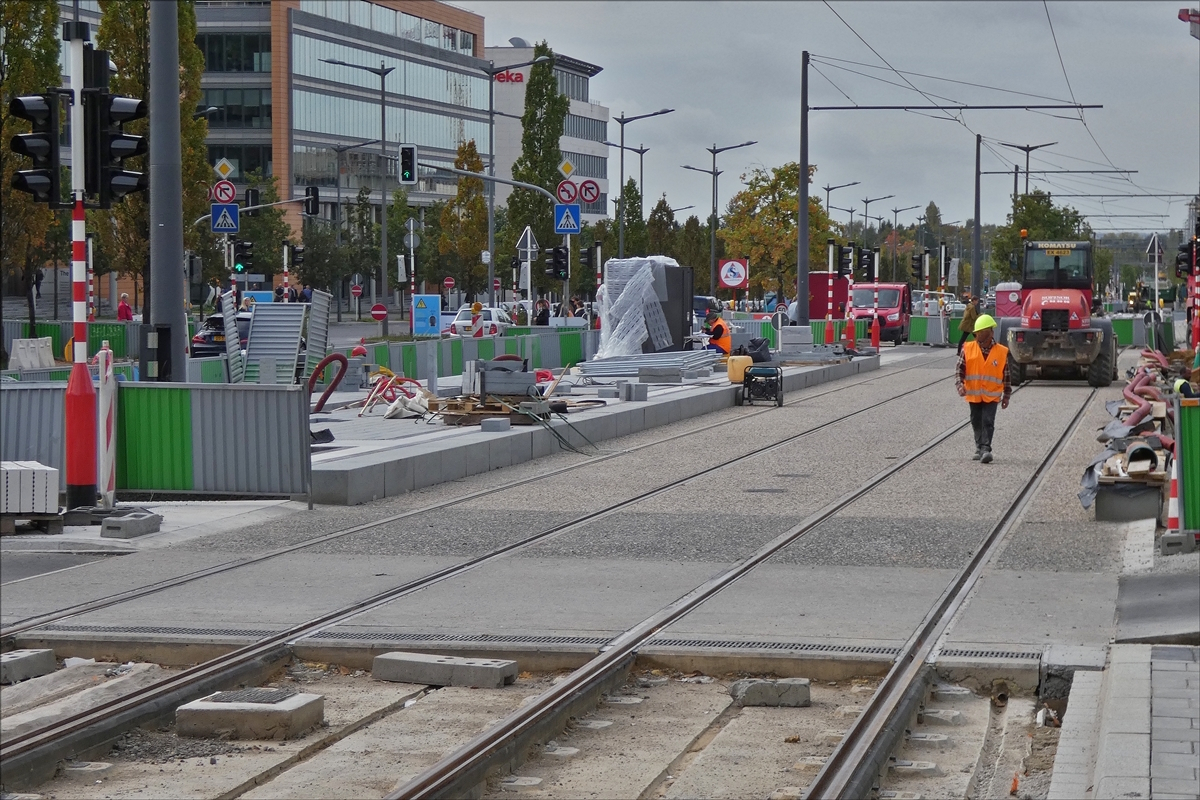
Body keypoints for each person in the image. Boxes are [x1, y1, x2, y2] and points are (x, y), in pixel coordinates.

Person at [956, 314, 1011, 464]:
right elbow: (959, 370)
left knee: (988, 420)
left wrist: (1006, 395)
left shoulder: (1001, 351)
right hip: (973, 394)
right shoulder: (968, 349)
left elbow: (1006, 374)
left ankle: (986, 449)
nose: (979, 337)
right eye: (977, 334)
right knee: (975, 420)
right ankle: (979, 447)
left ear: (990, 334)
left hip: (992, 395)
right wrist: (960, 385)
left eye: (982, 334)